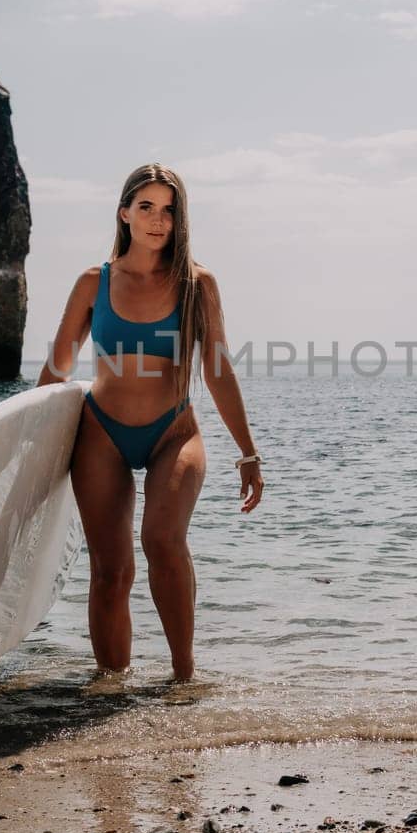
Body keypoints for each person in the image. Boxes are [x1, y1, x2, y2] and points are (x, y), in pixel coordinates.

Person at [37, 163, 262, 683]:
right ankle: (110, 689)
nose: (158, 220)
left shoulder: (197, 284)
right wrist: (27, 456)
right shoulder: (94, 282)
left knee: (162, 540)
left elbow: (218, 370)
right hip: (101, 434)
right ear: (124, 213)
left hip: (173, 432)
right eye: (147, 207)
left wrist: (247, 452)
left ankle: (183, 681)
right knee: (111, 572)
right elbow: (56, 370)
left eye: (169, 210)